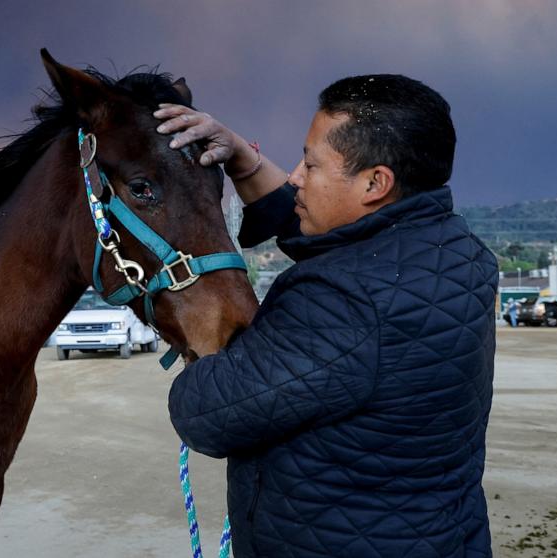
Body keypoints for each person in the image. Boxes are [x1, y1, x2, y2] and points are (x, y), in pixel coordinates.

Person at [158, 75, 497, 557]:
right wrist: (242, 157)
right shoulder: (461, 254)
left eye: (311, 164)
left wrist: (206, 346)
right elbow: (329, 234)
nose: (295, 176)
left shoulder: (342, 299)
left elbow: (205, 416)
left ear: (376, 182)